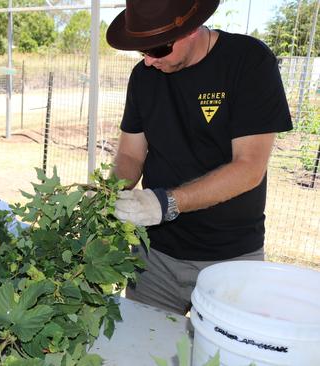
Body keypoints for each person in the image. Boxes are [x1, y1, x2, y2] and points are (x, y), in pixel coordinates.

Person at [105, 0, 292, 314]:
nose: (149, 61)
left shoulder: (248, 62)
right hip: (155, 259)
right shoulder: (143, 77)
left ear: (190, 30)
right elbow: (129, 153)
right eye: (142, 51)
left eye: (158, 50)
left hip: (230, 261)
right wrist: (109, 194)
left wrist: (165, 203)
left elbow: (249, 168)